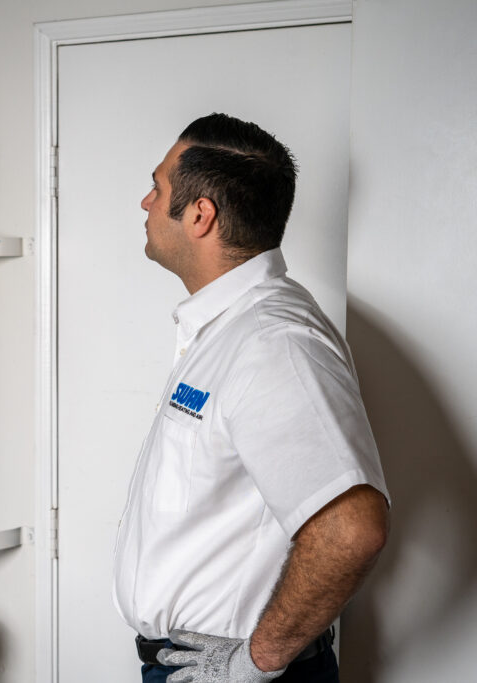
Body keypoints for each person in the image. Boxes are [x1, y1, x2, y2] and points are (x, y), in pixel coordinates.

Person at [112, 113, 389, 683]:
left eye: (158, 186)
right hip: (191, 665)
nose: (145, 201)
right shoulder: (229, 328)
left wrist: (250, 664)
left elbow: (352, 528)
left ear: (200, 214)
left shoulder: (273, 341)